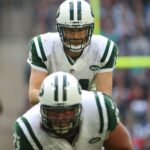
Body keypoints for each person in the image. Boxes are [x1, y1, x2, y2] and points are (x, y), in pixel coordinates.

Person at [27, 0, 119, 105]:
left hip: (88, 110)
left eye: (81, 30)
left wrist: (65, 97)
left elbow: (104, 100)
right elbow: (33, 94)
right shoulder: (43, 46)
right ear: (59, 29)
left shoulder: (103, 49)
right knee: (23, 122)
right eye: (70, 30)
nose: (76, 36)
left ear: (90, 29)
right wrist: (61, 99)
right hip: (52, 112)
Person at [13, 72, 133, 150]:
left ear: (79, 106)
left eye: (66, 111)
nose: (60, 117)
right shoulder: (26, 129)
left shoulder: (99, 108)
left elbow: (123, 147)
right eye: (54, 111)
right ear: (42, 108)